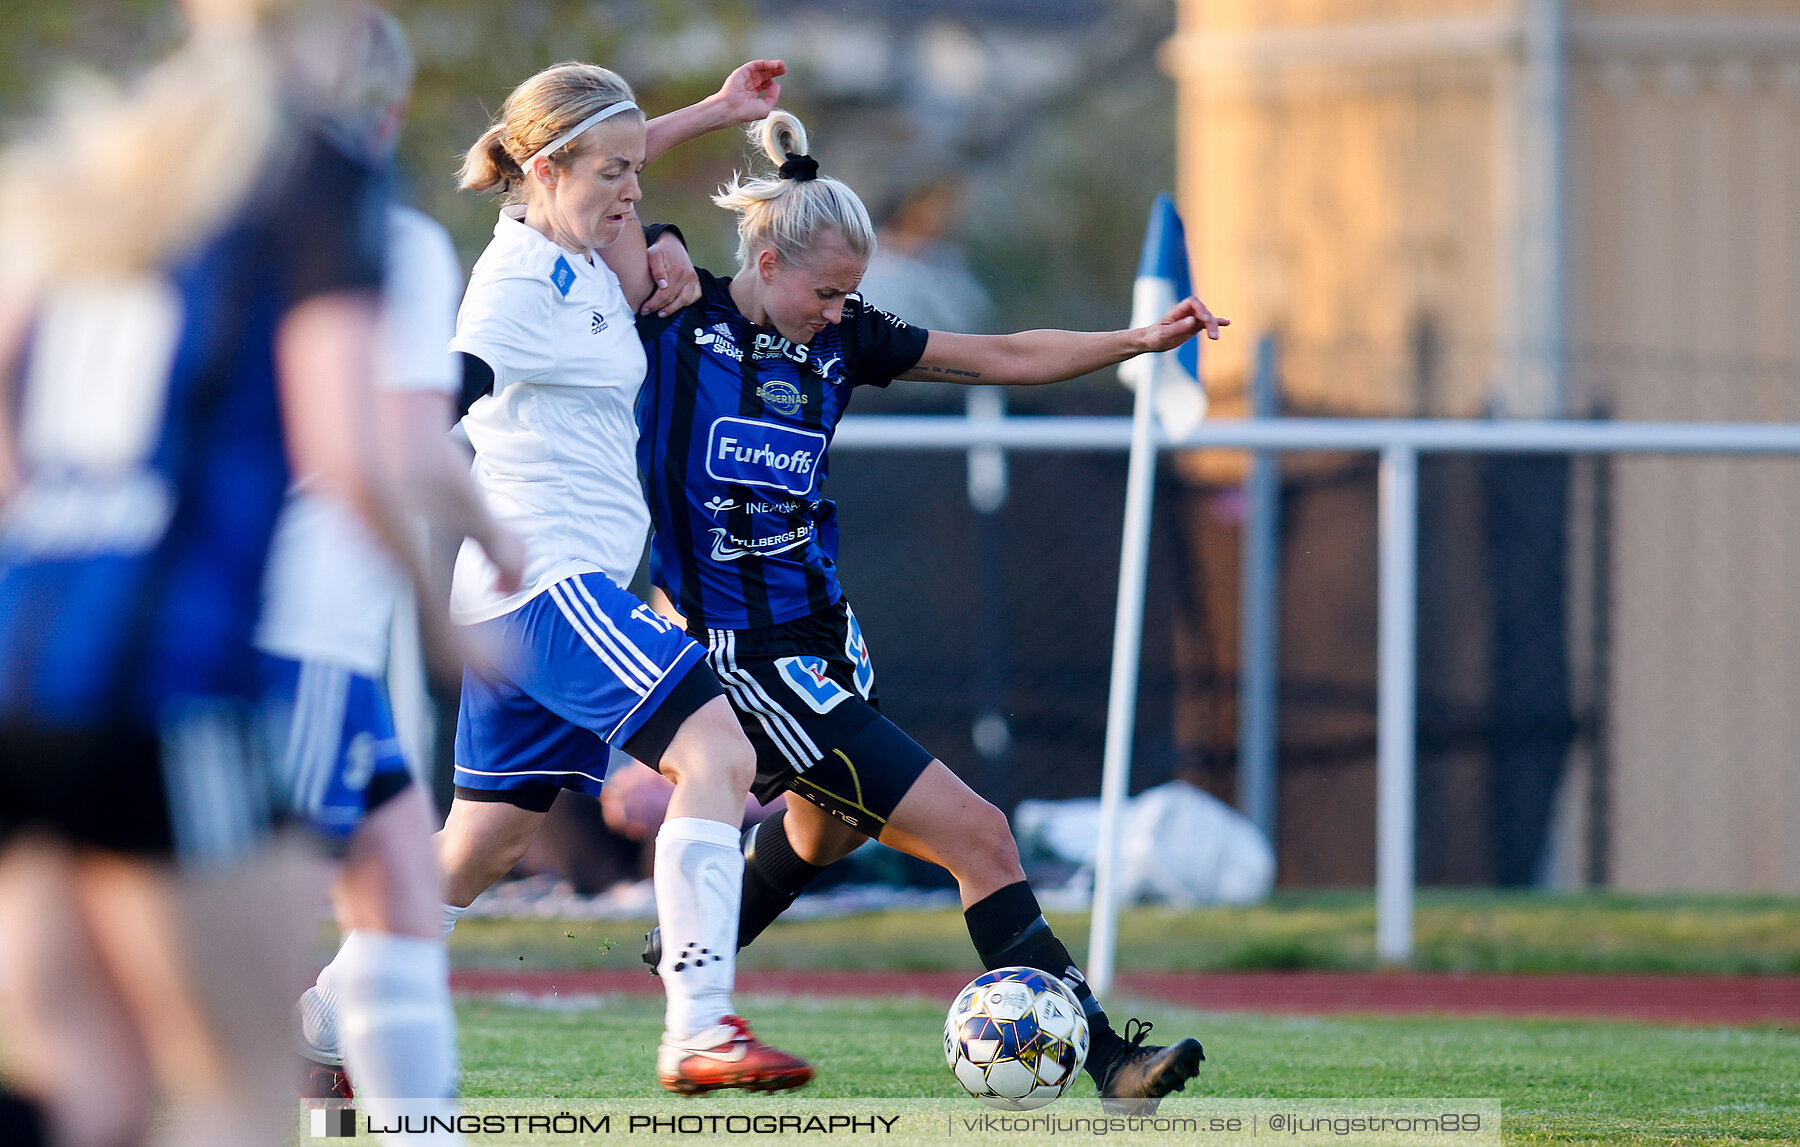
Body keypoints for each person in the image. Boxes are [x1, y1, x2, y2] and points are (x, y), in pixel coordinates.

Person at [634, 110, 1227, 1112]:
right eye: (825, 291)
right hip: (744, 658)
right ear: (767, 257)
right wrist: (660, 229)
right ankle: (1107, 1060)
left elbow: (1002, 354)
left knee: (828, 833)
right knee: (981, 834)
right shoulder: (673, 316)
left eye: (849, 295)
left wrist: (1133, 341)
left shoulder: (843, 340)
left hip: (827, 641)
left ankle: (692, 938)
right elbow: (587, 188)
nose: (837, 312)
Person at [0, 2, 429, 1144]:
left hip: (18, 676)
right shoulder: (314, 170)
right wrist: (445, 617)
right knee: (234, 1091)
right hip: (166, 689)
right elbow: (347, 449)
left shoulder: (90, 168)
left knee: (85, 1097)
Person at [433, 58, 813, 1095]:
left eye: (637, 172)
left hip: (530, 593)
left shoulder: (588, 243)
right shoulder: (517, 283)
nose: (634, 193)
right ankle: (699, 1021)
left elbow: (621, 171)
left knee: (481, 844)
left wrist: (724, 115)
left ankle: (325, 1009)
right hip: (548, 580)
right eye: (615, 173)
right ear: (549, 167)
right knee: (716, 750)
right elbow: (448, 385)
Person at [261, 7, 523, 1132]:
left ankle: (382, 1107)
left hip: (104, 629)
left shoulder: (144, 212)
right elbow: (389, 449)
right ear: (391, 105)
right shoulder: (377, 233)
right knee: (218, 989)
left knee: (400, 888)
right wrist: (469, 576)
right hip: (278, 637)